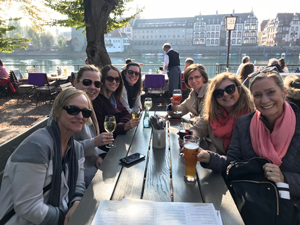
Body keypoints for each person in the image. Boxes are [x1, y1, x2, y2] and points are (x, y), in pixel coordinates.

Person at [197, 70, 300, 220]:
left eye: (270, 92)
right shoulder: (244, 123)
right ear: (252, 97)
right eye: (257, 95)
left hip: (290, 209)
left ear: (284, 92)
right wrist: (208, 158)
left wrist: (284, 178)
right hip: (251, 203)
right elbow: (233, 162)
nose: (264, 100)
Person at [0, 88, 89, 224]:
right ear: (58, 111)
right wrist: (64, 218)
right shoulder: (37, 147)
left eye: (86, 112)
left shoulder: (76, 148)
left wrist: (76, 204)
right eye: (73, 109)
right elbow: (28, 207)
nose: (80, 116)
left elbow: (79, 185)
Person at [48, 65, 114, 187]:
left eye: (97, 84)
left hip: (91, 166)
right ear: (75, 83)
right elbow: (59, 149)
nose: (93, 87)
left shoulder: (88, 108)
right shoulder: (64, 111)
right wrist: (94, 142)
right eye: (87, 82)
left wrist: (100, 154)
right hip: (75, 175)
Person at [183, 72, 254, 155]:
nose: (225, 94)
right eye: (219, 92)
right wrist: (190, 140)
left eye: (230, 89)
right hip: (220, 163)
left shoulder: (252, 115)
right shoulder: (212, 114)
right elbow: (197, 130)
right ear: (214, 97)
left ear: (239, 89)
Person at [93, 65, 140, 137]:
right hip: (106, 143)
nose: (114, 82)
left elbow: (126, 113)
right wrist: (124, 126)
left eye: (117, 79)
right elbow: (101, 128)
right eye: (110, 79)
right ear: (102, 79)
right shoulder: (97, 100)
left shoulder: (114, 97)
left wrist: (121, 123)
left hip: (117, 138)